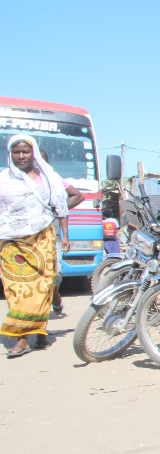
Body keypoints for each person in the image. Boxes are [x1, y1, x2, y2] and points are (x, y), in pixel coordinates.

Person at [0, 135, 70, 357]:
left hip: (42, 238)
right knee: (17, 290)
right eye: (16, 152)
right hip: (11, 242)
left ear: (34, 153)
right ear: (10, 154)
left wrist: (65, 236)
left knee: (41, 288)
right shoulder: (3, 179)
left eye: (25, 152)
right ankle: (21, 338)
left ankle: (39, 331)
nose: (21, 156)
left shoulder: (48, 178)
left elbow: (60, 208)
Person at [39, 150, 83, 318]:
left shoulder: (54, 179)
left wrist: (65, 235)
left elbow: (77, 196)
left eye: (42, 160)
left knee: (55, 274)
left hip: (53, 236)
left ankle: (55, 296)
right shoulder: (18, 180)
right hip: (27, 236)